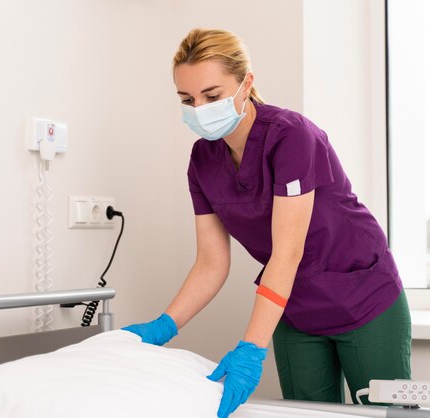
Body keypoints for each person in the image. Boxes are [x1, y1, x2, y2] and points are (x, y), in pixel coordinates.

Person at [122, 28, 411, 418]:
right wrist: (164, 325)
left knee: (387, 414)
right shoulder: (203, 161)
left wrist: (251, 349)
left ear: (247, 84)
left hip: (363, 296)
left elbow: (288, 253)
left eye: (212, 95)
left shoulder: (292, 137)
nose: (200, 109)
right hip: (293, 307)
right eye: (187, 100)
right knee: (309, 414)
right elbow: (211, 262)